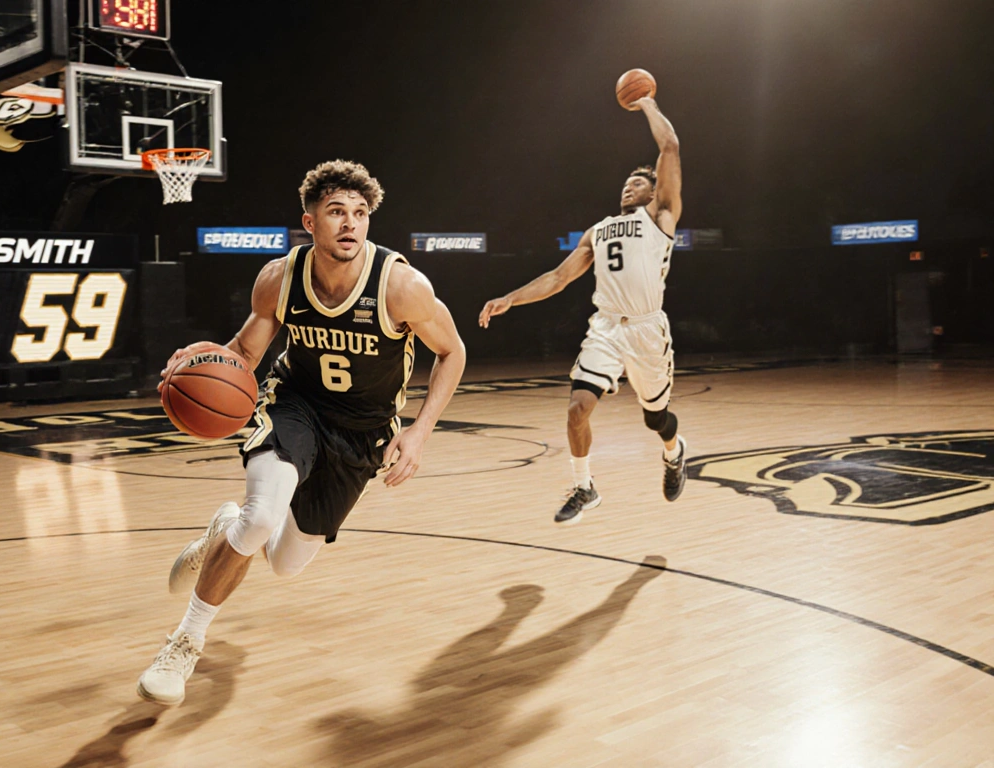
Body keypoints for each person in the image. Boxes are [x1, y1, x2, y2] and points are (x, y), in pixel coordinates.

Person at [137, 160, 467, 706]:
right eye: (336, 212)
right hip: (297, 405)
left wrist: (420, 430)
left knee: (285, 563)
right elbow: (244, 353)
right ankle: (184, 642)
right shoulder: (279, 278)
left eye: (360, 214)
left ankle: (223, 531)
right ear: (309, 222)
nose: (350, 224)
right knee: (263, 515)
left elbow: (452, 351)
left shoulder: (402, 286)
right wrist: (196, 360)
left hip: (362, 430)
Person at [478, 95, 687, 525]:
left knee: (657, 420)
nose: (629, 185)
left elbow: (669, 148)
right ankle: (584, 486)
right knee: (576, 409)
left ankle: (674, 452)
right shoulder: (599, 230)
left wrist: (646, 102)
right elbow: (558, 277)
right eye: (626, 182)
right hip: (607, 328)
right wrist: (511, 298)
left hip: (647, 331)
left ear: (654, 191)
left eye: (638, 182)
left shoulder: (662, 216)